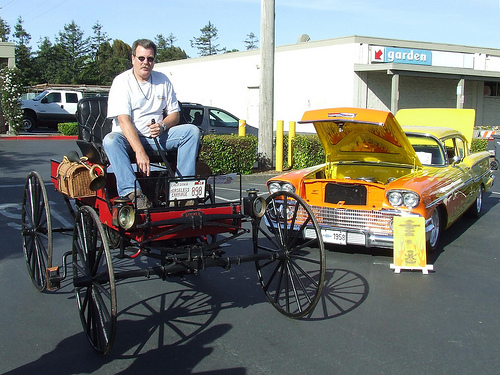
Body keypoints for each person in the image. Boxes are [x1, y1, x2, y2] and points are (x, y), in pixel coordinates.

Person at [103, 38, 200, 208]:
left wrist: (163, 125)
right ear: (133, 58)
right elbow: (123, 121)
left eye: (150, 59)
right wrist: (139, 151)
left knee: (191, 131)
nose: (145, 62)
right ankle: (132, 193)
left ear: (154, 60)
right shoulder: (121, 82)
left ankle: (183, 189)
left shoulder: (163, 80)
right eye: (141, 58)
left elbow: (175, 114)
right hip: (128, 139)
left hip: (157, 138)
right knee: (110, 141)